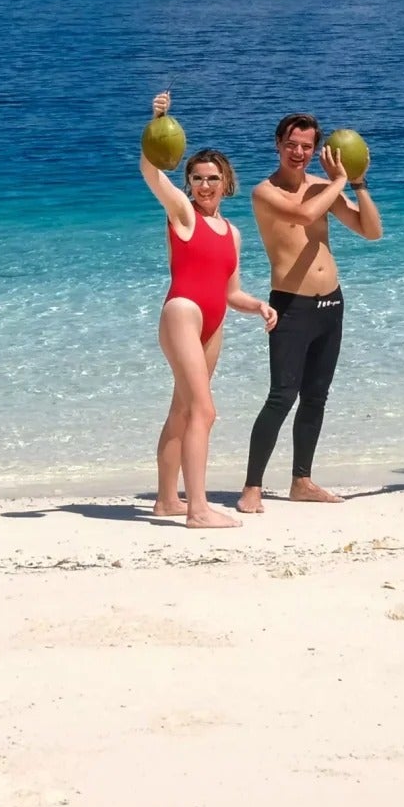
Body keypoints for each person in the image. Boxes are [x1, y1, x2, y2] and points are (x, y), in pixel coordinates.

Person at [140, 92, 277, 528]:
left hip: (213, 321)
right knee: (205, 411)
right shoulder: (183, 214)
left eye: (212, 178)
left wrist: (258, 305)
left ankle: (167, 501)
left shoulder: (232, 232)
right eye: (197, 178)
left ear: (226, 181)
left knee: (183, 411)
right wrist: (157, 121)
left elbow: (230, 291)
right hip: (183, 314)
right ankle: (198, 510)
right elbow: (150, 172)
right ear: (188, 184)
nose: (204, 185)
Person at [242, 113, 384, 513]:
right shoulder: (263, 192)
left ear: (316, 149)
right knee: (281, 396)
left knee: (316, 397)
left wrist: (357, 184)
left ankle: (301, 481)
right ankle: (252, 486)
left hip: (330, 304)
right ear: (278, 144)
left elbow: (371, 231)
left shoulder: (324, 188)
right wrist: (339, 181)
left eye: (306, 146)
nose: (299, 153)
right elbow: (303, 215)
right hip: (291, 306)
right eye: (291, 145)